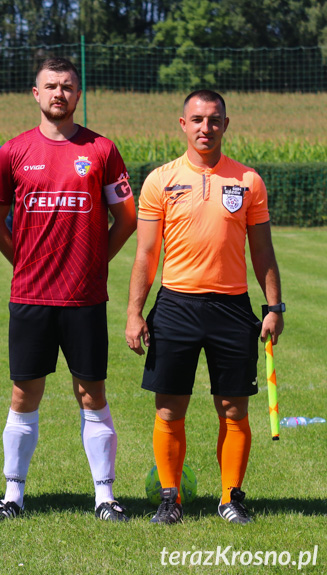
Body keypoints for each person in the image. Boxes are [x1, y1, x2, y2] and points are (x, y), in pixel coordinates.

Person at [0, 57, 137, 522]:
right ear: (36, 93)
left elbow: (126, 218)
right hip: (30, 295)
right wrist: (24, 260)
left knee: (92, 392)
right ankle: (13, 495)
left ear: (78, 93)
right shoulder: (12, 151)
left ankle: (104, 496)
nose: (59, 94)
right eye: (50, 86)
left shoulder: (103, 150)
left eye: (68, 87)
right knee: (23, 394)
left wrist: (94, 262)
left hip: (84, 297)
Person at [125, 90, 284, 525]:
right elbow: (145, 255)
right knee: (169, 408)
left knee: (233, 409)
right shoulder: (160, 179)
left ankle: (230, 497)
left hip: (232, 308)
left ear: (225, 125)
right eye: (197, 119)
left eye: (214, 120)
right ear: (182, 124)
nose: (205, 128)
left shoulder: (249, 181)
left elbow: (263, 251)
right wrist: (135, 312)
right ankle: (170, 499)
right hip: (176, 305)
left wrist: (274, 306)